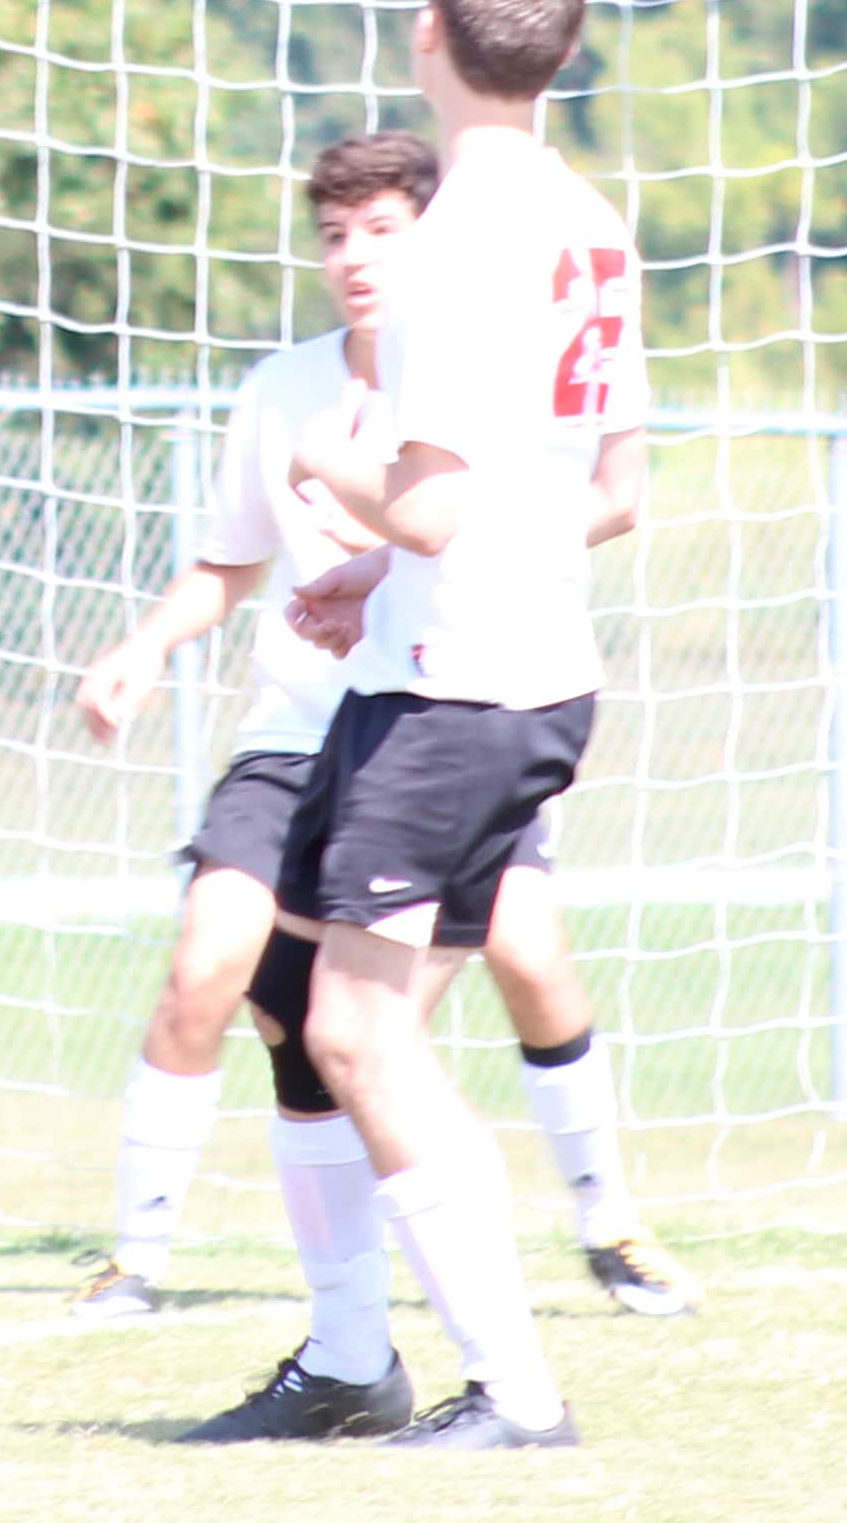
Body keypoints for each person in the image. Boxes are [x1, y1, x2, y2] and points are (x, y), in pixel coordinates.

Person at [68, 127, 695, 1446]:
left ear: (434, 233)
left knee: (425, 1005)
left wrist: (385, 525)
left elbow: (470, 508)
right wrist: (141, 650)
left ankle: (583, 1261)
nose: (355, 258)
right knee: (262, 990)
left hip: (450, 710)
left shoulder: (479, 333)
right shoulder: (286, 387)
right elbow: (232, 561)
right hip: (317, 734)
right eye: (334, 235)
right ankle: (290, 1326)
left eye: (381, 231)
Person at [271, 0, 645, 1457]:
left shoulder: (456, 245)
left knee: (357, 1040)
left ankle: (517, 1391)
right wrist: (390, 573)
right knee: (319, 1013)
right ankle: (353, 1359)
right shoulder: (592, 222)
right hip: (521, 666)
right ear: (559, 56)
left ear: (432, 37)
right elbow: (608, 489)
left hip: (458, 694)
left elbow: (426, 495)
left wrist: (323, 466)